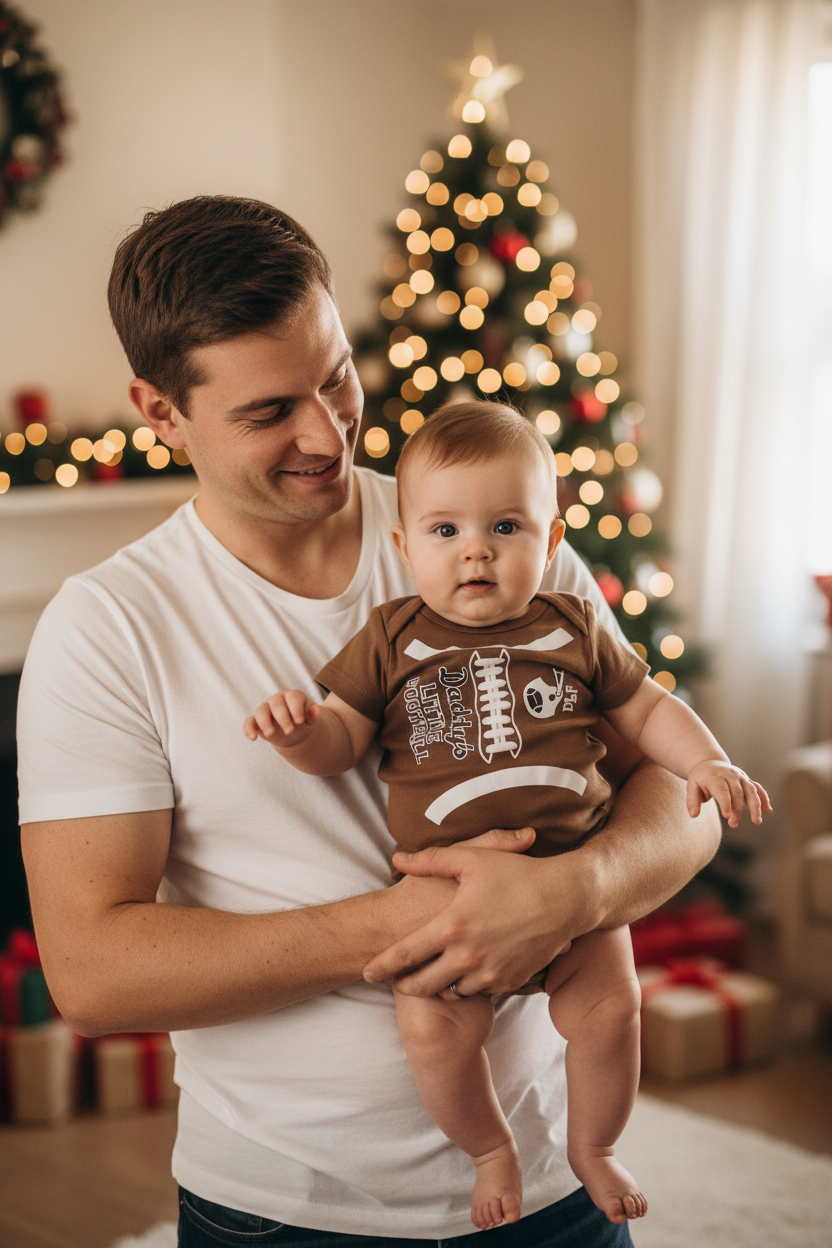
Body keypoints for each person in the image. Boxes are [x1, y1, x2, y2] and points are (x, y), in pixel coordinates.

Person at [17, 196, 721, 1248]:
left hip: (549, 1189)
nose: (326, 431)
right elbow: (94, 975)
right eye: (268, 413)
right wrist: (415, 925)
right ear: (160, 411)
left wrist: (573, 889)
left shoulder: (483, 530)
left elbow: (690, 791)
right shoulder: (110, 627)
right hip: (285, 1209)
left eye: (337, 378)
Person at [245, 401, 771, 1233]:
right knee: (433, 1033)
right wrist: (303, 734)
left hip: (578, 890)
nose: (477, 550)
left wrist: (702, 761)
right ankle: (489, 1148)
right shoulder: (390, 638)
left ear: (552, 543)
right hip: (450, 913)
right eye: (445, 531)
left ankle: (593, 1146)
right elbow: (342, 738)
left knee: (611, 1012)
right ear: (405, 548)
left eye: (505, 525)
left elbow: (643, 706)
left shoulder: (572, 623)